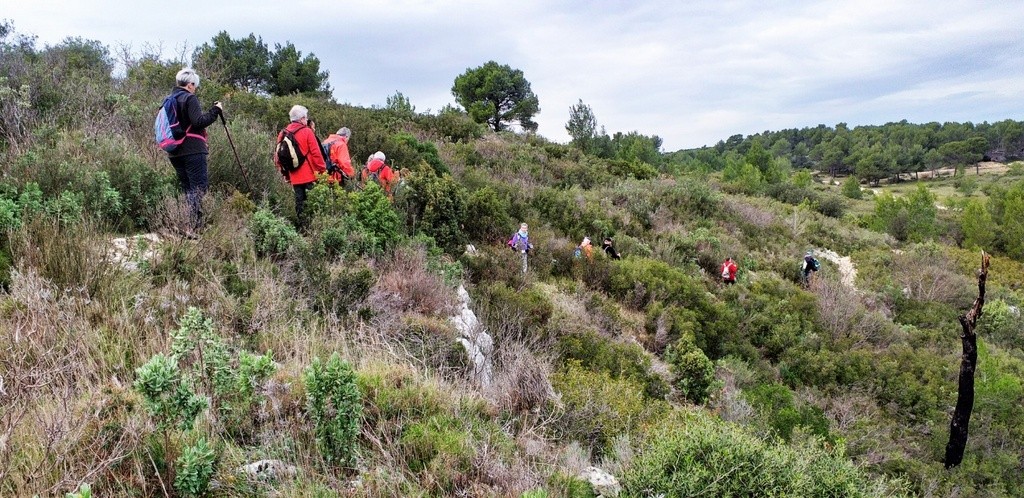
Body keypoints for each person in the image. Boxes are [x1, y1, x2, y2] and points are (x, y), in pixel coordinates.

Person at [164, 68, 222, 234]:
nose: (195, 88)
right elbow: (198, 121)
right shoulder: (189, 98)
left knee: (187, 188)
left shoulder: (168, 100)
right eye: (194, 85)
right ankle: (192, 227)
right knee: (198, 188)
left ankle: (186, 224)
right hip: (193, 150)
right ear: (189, 84)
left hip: (174, 151)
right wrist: (215, 111)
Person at [275, 105, 326, 226]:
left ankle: (302, 226)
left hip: (294, 176)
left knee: (299, 202)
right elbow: (316, 153)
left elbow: (278, 157)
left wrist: (286, 175)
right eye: (306, 117)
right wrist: (322, 171)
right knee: (313, 202)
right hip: (310, 175)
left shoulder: (283, 133)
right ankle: (314, 227)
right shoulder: (307, 131)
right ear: (302, 118)